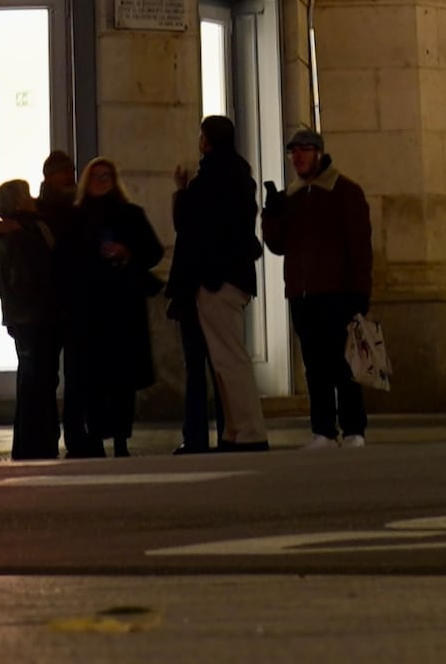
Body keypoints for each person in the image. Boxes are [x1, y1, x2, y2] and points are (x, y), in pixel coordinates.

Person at [263, 123, 375, 444]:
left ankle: (353, 428)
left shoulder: (344, 191)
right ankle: (323, 429)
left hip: (337, 292)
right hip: (303, 293)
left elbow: (359, 246)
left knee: (344, 364)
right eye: (292, 152)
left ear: (319, 153)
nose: (297, 157)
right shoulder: (292, 195)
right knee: (314, 366)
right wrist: (271, 214)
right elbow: (278, 244)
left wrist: (359, 293)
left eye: (303, 150)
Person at [170, 114, 269, 451]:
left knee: (228, 359)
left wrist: (181, 192)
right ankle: (235, 431)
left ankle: (249, 431)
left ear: (207, 140)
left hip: (215, 280)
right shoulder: (240, 176)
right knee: (227, 359)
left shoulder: (211, 178)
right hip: (231, 276)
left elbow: (191, 227)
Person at [57, 154, 163, 455]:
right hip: (89, 308)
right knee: (93, 377)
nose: (101, 181)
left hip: (122, 306)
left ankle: (120, 437)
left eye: (107, 176)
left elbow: (153, 251)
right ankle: (95, 435)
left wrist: (127, 252)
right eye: (96, 176)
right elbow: (65, 260)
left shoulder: (130, 214)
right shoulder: (76, 217)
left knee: (122, 377)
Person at [0, 175, 64, 456]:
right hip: (34, 318)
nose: (33, 199)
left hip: (31, 318)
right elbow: (26, 282)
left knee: (36, 381)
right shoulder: (19, 237)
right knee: (38, 382)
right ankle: (37, 443)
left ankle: (34, 442)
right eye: (27, 195)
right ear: (16, 202)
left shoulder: (26, 230)